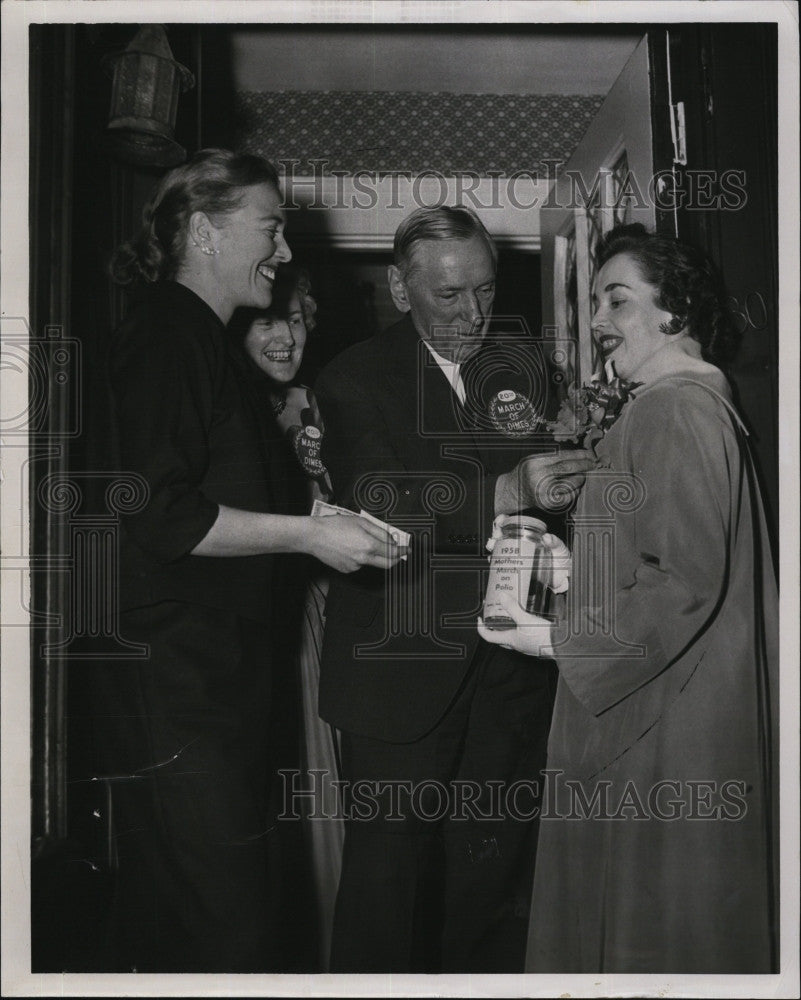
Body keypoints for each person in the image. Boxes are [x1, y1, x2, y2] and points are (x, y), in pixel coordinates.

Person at [97, 149, 406, 973]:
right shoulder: (167, 330)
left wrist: (324, 516)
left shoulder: (200, 339)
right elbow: (162, 516)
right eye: (270, 227)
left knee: (221, 914)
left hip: (210, 676)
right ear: (203, 229)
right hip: (178, 681)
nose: (282, 251)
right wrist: (308, 536)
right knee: (218, 924)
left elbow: (221, 495)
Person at [480, 224, 779, 973]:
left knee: (655, 925)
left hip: (662, 716)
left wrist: (552, 639)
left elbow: (683, 579)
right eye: (594, 301)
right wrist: (567, 566)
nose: (598, 320)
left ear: (674, 308)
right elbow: (660, 558)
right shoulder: (683, 405)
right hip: (663, 697)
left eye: (617, 299)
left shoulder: (672, 408)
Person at [314, 205, 595, 973]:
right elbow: (378, 499)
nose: (474, 313)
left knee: (487, 874)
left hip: (507, 672)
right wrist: (504, 490)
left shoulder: (521, 364)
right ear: (402, 291)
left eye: (485, 290)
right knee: (385, 887)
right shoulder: (351, 378)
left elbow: (548, 488)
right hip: (398, 675)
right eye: (450, 296)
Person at [228, 266, 342, 971]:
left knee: (319, 781)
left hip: (312, 613)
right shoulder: (229, 409)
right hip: (247, 623)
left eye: (296, 319)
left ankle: (330, 961)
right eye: (268, 320)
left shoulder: (318, 405)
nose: (284, 335)